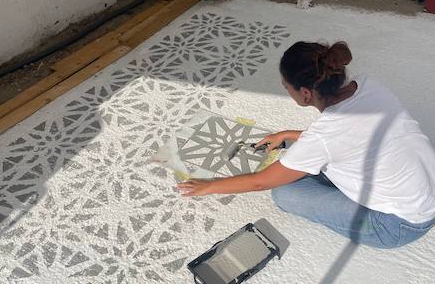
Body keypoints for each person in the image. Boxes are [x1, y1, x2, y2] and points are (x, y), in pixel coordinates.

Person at [177, 41, 435, 248]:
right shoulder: (368, 84)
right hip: (425, 194)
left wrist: (208, 186)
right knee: (307, 162)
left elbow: (260, 181)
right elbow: (350, 137)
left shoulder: (324, 135)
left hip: (396, 225)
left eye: (285, 86)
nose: (284, 89)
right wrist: (290, 134)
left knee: (285, 193)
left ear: (305, 93)